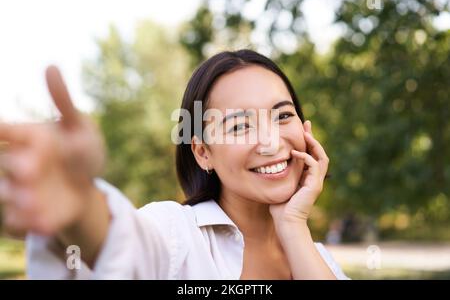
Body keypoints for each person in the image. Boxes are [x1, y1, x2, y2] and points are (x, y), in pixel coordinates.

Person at [0, 49, 348, 279]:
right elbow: (122, 249)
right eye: (240, 125)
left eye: (282, 115)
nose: (271, 141)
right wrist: (79, 207)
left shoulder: (316, 258)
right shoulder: (176, 233)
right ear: (202, 153)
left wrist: (293, 225)